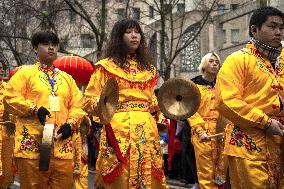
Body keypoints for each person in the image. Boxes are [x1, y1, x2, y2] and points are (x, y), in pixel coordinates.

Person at [83, 18, 168, 189]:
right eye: (128, 32)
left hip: (147, 128)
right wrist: (103, 106)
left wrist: (162, 113)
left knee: (149, 173)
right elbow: (89, 100)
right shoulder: (105, 67)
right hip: (118, 127)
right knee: (120, 176)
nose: (134, 36)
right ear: (118, 37)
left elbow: (151, 100)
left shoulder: (149, 70)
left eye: (137, 32)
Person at [3, 30, 86, 189]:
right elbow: (9, 98)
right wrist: (33, 109)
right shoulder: (25, 74)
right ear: (35, 48)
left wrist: (70, 124)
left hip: (62, 146)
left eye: (54, 45)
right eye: (46, 44)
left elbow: (78, 104)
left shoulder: (66, 78)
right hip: (33, 146)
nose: (51, 48)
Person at [214, 6, 284, 189]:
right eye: (272, 26)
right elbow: (226, 101)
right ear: (254, 29)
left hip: (279, 143)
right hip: (249, 146)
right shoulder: (237, 60)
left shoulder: (281, 62)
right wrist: (266, 122)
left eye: (281, 28)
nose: (278, 32)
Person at [188, 53, 227, 189]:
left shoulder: (223, 85)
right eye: (211, 61)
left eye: (217, 61)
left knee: (221, 170)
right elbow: (191, 110)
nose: (215, 63)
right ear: (204, 64)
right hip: (203, 133)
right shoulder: (194, 86)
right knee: (206, 171)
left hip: (221, 132)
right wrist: (199, 130)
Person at [0, 60, 15, 188]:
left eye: (1, 68)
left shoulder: (9, 89)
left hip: (8, 131)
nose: (1, 70)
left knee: (7, 167)